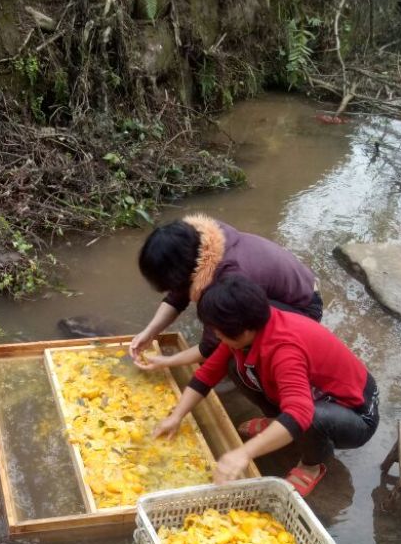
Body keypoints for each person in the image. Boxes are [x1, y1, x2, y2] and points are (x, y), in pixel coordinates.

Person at [151, 276, 379, 496]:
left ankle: (312, 464)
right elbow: (207, 373)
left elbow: (301, 412)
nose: (216, 335)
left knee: (311, 417)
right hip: (311, 394)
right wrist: (176, 416)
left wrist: (243, 453)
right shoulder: (250, 328)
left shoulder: (284, 350)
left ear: (244, 329)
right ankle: (276, 423)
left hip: (355, 414)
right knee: (234, 366)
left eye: (219, 331)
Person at [129, 213, 322, 370]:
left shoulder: (228, 278)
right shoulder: (198, 246)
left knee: (234, 345)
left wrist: (166, 362)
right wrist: (149, 333)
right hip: (290, 289)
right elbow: (177, 296)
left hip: (303, 309)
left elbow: (210, 347)